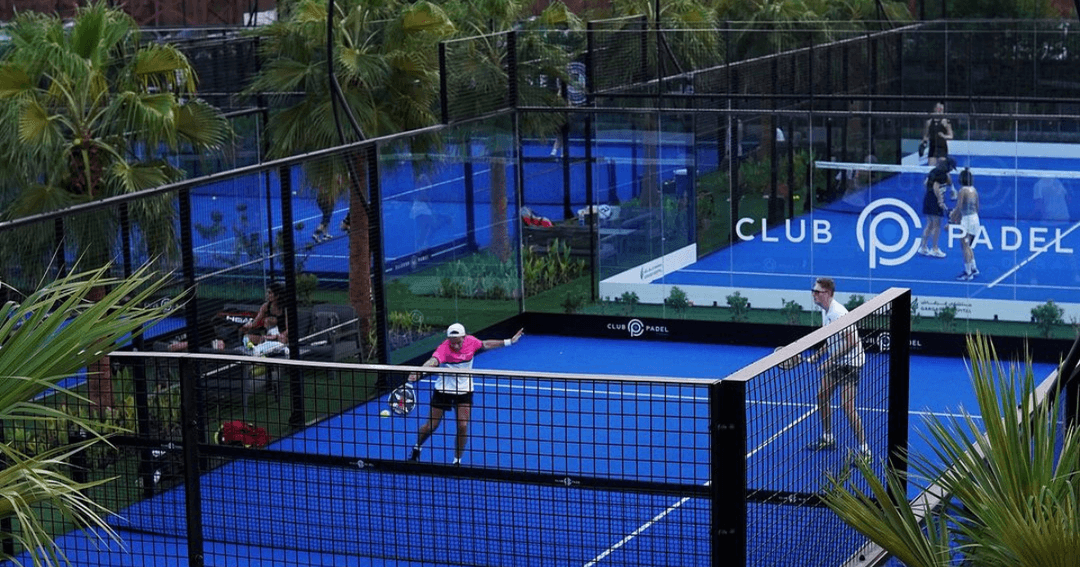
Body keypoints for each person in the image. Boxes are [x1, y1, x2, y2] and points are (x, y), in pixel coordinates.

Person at [408, 323, 525, 465]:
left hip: (464, 390)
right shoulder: (444, 348)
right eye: (453, 343)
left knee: (462, 426)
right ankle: (417, 447)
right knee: (431, 426)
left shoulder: (471, 342)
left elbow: (485, 344)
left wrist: (509, 341)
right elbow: (433, 361)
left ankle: (457, 461)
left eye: (458, 342)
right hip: (443, 389)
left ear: (464, 337)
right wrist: (418, 371)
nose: (455, 346)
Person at [806, 277, 870, 461]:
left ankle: (865, 451)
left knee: (847, 406)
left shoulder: (838, 313)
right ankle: (828, 438)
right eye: (813, 291)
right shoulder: (825, 312)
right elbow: (831, 339)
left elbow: (852, 342)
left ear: (829, 294)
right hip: (837, 361)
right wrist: (818, 355)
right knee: (822, 396)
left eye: (817, 292)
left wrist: (829, 360)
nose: (814, 294)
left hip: (851, 363)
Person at [919, 157, 956, 258]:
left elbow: (926, 183)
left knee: (929, 224)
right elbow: (936, 187)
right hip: (935, 201)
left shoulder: (933, 171)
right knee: (937, 225)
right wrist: (940, 200)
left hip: (928, 199)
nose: (952, 170)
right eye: (952, 168)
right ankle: (934, 249)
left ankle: (923, 247)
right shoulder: (942, 174)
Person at [240, 282, 289, 356]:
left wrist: (278, 336)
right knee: (246, 338)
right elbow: (254, 324)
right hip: (267, 337)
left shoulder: (285, 309)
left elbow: (289, 329)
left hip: (281, 337)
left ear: (277, 296)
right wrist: (245, 327)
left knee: (282, 340)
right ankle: (256, 349)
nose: (268, 295)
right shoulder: (265, 307)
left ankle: (275, 348)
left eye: (270, 293)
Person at [954, 168, 981, 281]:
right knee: (968, 246)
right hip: (975, 218)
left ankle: (968, 272)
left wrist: (952, 217)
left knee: (965, 246)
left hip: (967, 220)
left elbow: (959, 207)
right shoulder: (974, 190)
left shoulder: (962, 191)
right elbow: (978, 207)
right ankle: (974, 268)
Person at [920, 102, 953, 167]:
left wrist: (944, 136)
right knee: (931, 169)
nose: (940, 110)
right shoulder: (929, 122)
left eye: (941, 109)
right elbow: (926, 136)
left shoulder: (945, 121)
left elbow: (951, 136)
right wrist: (923, 144)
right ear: (935, 109)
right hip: (932, 147)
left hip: (942, 148)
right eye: (939, 108)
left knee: (943, 169)